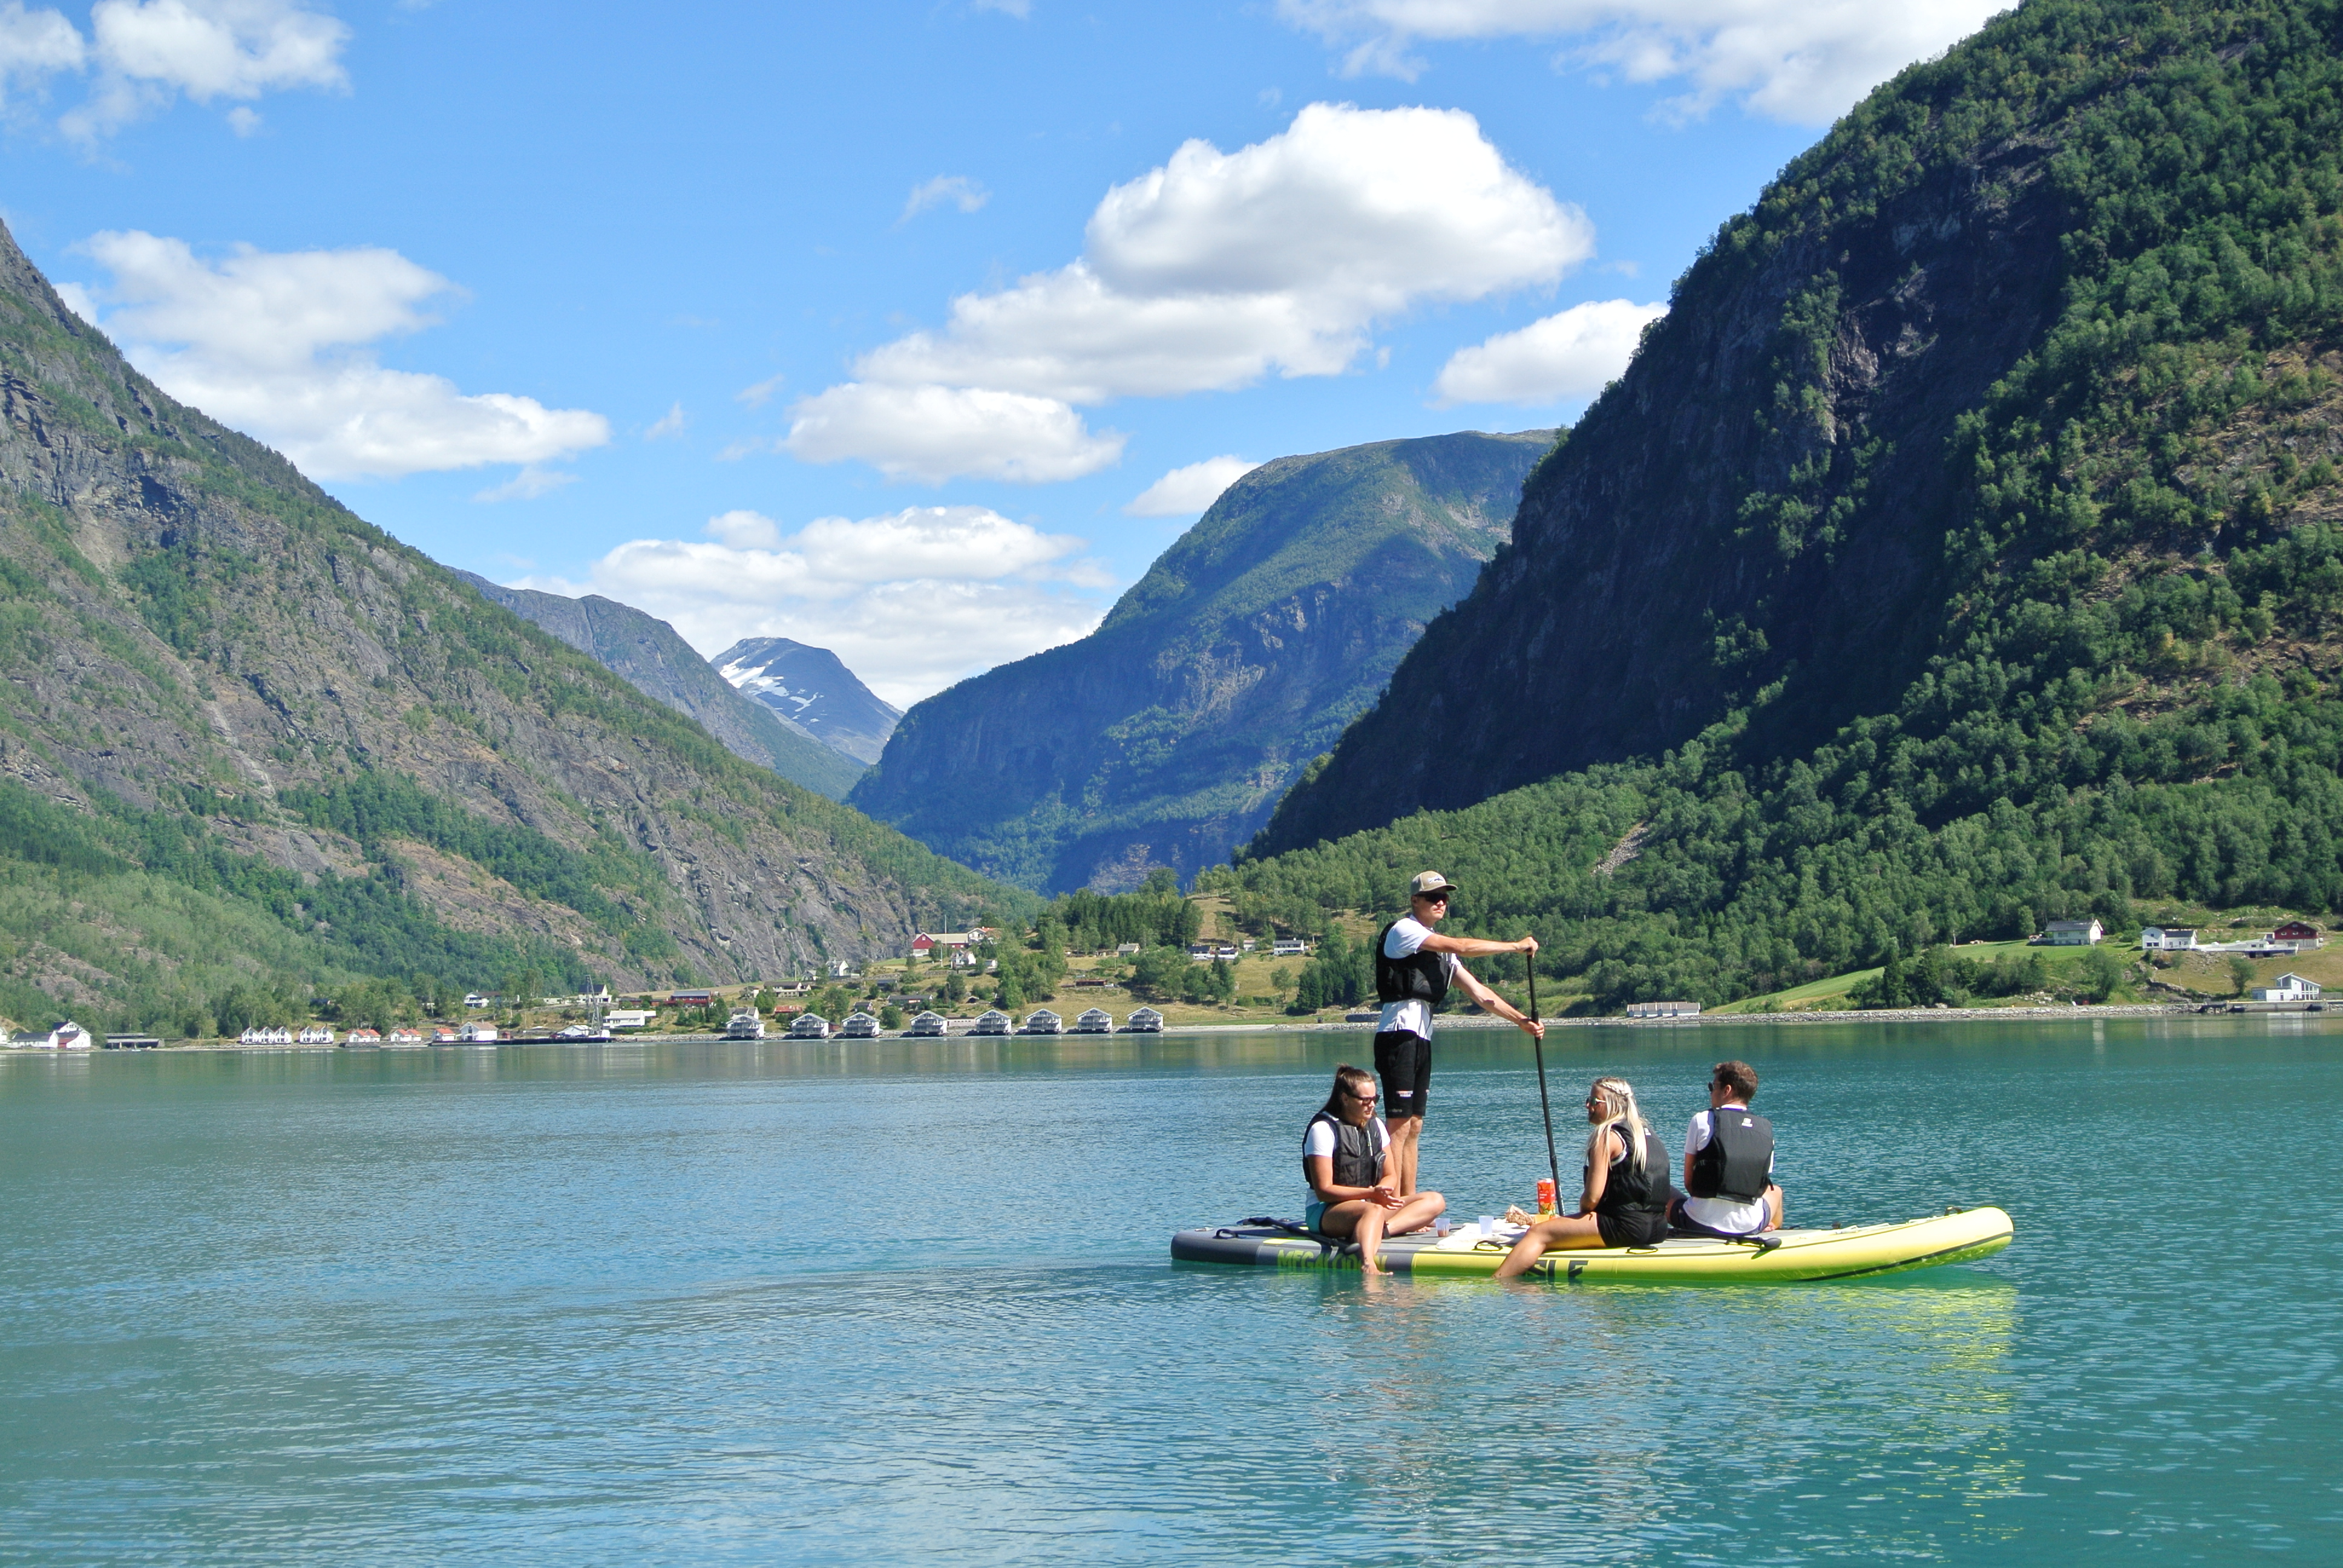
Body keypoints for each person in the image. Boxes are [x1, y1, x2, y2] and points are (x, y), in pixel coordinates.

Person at [1373, 871, 1544, 1198]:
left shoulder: (1442, 954)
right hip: (1398, 1032)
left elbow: (1480, 994)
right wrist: (1514, 946)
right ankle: (1391, 1202)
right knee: (1399, 1125)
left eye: (1445, 897)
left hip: (1421, 1035)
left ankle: (1409, 1201)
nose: (1441, 902)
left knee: (1415, 1126)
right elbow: (1463, 946)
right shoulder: (1404, 930)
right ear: (1415, 901)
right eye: (1434, 896)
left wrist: (1521, 1021)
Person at [1493, 1076, 1671, 1279]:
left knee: (1538, 1233)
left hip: (1624, 1227)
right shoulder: (1647, 1135)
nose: (1588, 1105)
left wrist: (1575, 1218)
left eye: (1594, 1101)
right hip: (1658, 1228)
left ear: (1611, 1105)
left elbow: (1592, 1199)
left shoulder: (1606, 1136)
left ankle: (1498, 1283)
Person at [1302, 1063, 1447, 1274]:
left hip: (1371, 1202)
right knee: (1373, 1210)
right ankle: (1369, 1264)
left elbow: (1390, 1175)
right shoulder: (1323, 1130)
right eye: (1365, 1100)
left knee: (1434, 1200)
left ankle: (1381, 1231)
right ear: (1345, 1099)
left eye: (1375, 1099)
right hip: (1326, 1211)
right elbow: (1324, 1190)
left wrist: (1383, 1191)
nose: (1371, 1105)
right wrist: (1371, 1194)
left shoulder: (1376, 1126)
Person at [1670, 1059, 1784, 1238]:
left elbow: (1689, 1182)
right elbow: (1762, 1187)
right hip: (1750, 1226)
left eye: (1713, 1086)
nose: (1711, 1092)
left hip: (1700, 1222)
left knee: (1661, 1191)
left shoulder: (1701, 1120)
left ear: (1727, 1090)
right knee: (1776, 1191)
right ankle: (1771, 1229)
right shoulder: (1765, 1129)